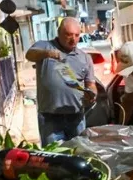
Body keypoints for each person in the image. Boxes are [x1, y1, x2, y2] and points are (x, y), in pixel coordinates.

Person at [26, 17, 97, 145]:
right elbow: (30, 54)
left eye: (76, 35)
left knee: (79, 153)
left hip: (76, 116)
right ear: (59, 33)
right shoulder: (45, 46)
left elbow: (90, 84)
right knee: (55, 156)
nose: (73, 39)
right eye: (68, 34)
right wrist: (47, 54)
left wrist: (92, 94)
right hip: (50, 117)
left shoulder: (84, 57)